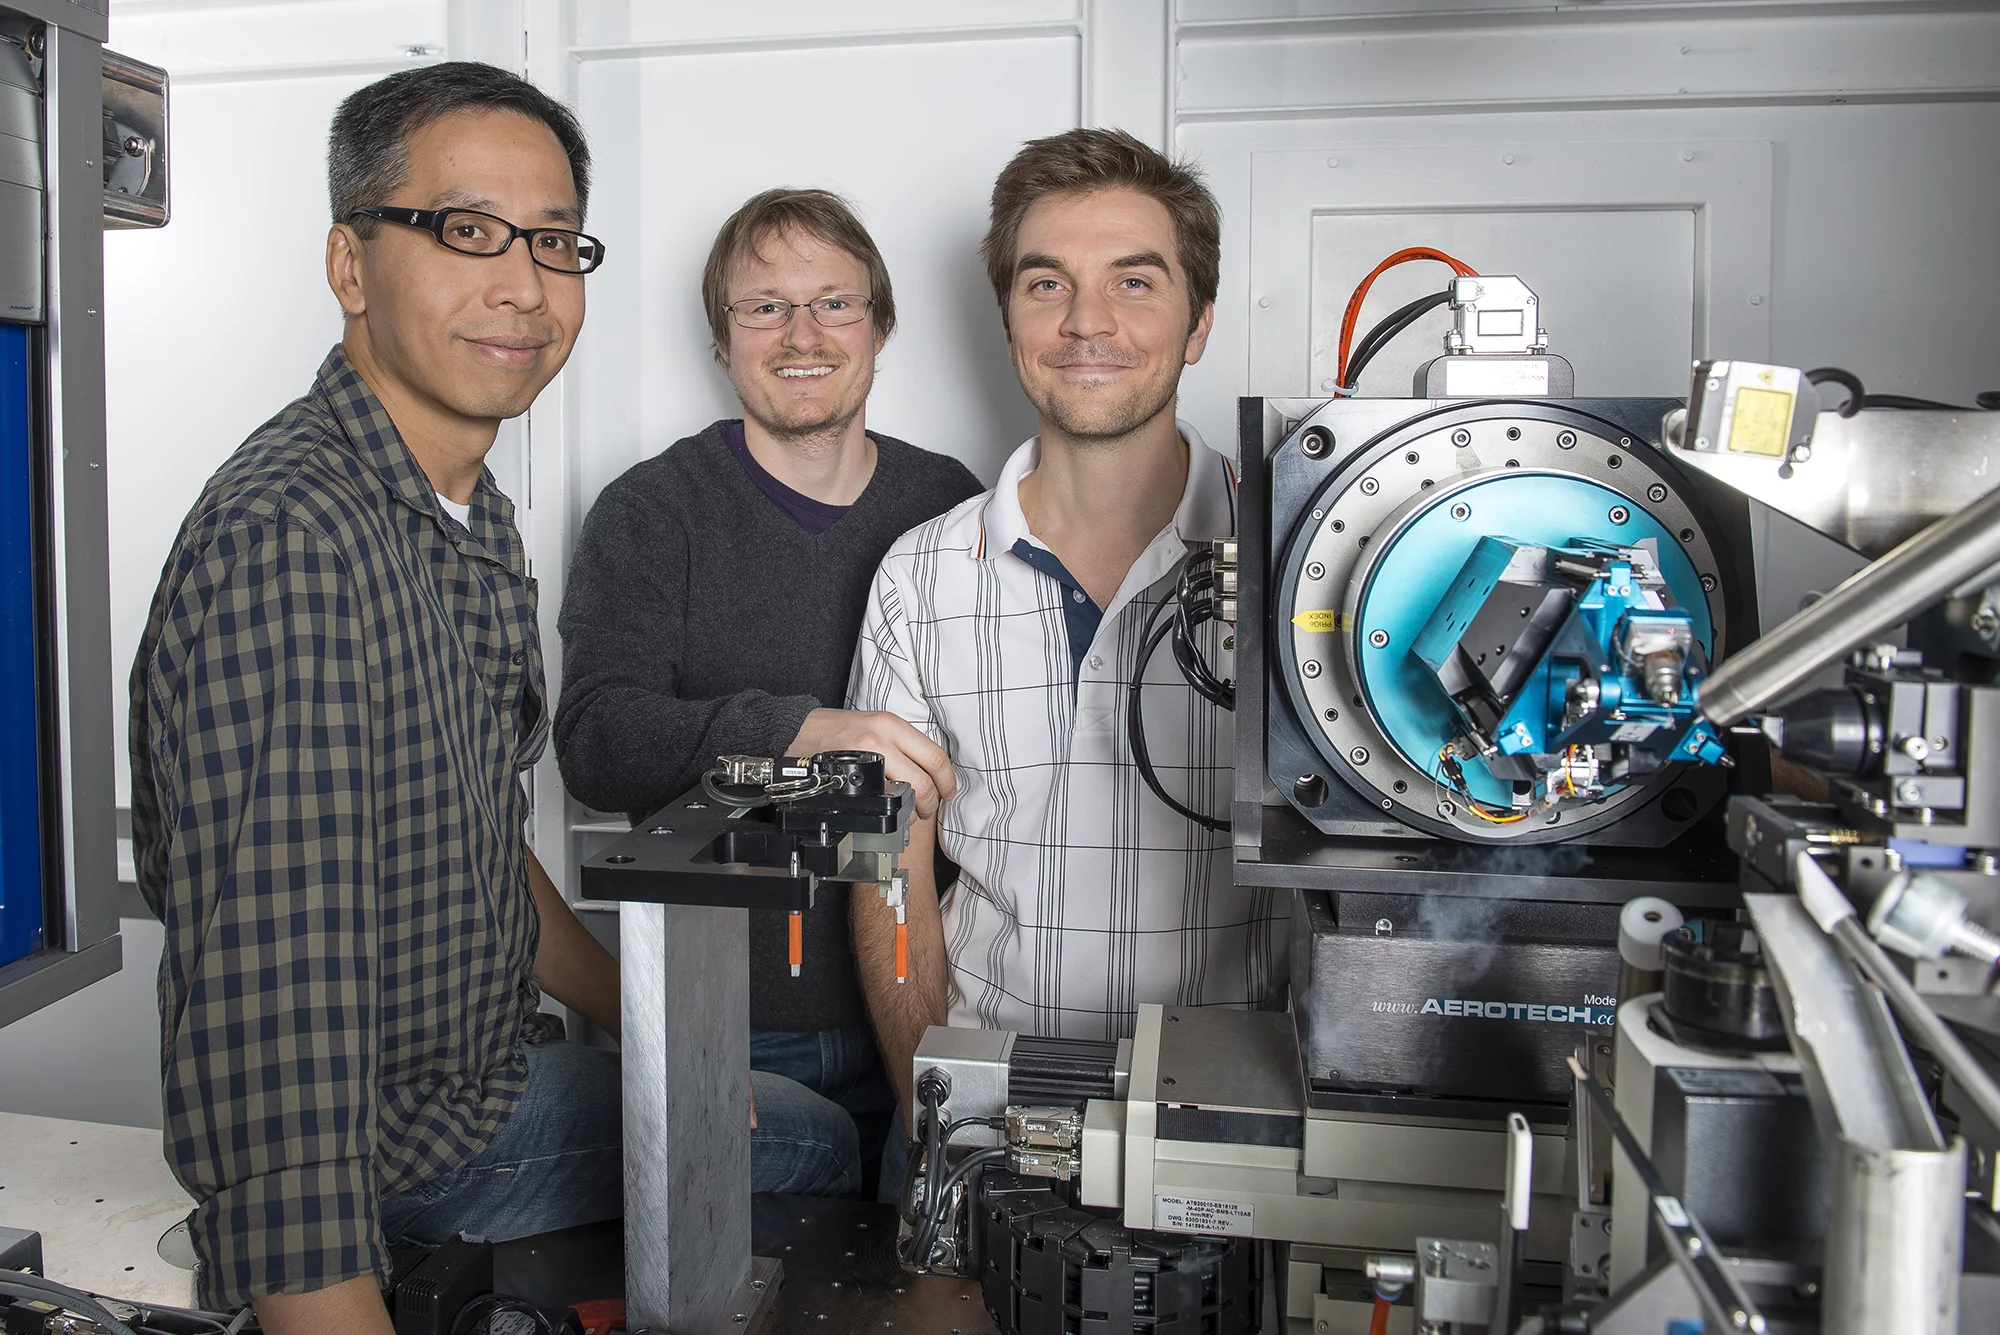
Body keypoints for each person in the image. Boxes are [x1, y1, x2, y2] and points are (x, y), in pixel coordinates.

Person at [129, 66, 842, 1332]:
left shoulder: (470, 515)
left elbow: (476, 841)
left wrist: (639, 1027)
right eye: (465, 232)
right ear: (351, 264)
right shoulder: (297, 538)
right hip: (390, 1148)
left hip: (484, 1067)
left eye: (554, 241)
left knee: (739, 1094)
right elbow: (268, 1044)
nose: (522, 285)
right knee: (818, 1143)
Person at [848, 129, 1289, 1108]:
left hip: (1237, 1118)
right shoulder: (919, 576)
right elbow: (886, 872)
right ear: (1007, 319)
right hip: (989, 1110)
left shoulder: (1300, 563)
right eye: (1046, 284)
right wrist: (935, 1125)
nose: (1087, 322)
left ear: (1199, 320)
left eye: (1134, 283)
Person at [554, 189, 982, 1191]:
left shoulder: (949, 504)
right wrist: (796, 731)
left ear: (878, 328)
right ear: (721, 338)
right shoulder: (651, 514)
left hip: (930, 1007)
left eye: (834, 304)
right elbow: (596, 741)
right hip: (733, 1031)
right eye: (764, 308)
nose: (801, 335)